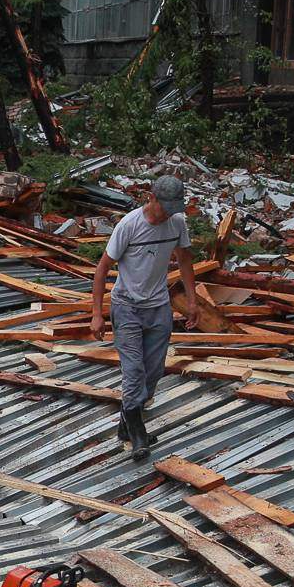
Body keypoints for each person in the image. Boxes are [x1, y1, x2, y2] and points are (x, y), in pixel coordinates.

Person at [90, 173, 198, 461]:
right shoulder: (129, 226)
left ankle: (126, 427)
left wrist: (192, 301)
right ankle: (139, 436)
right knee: (134, 371)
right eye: (165, 207)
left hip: (158, 306)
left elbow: (185, 260)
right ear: (151, 198)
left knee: (153, 372)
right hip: (126, 306)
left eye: (174, 208)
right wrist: (96, 315)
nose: (169, 214)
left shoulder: (176, 222)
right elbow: (101, 270)